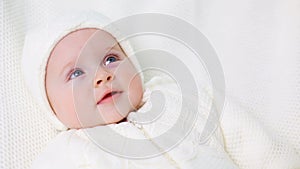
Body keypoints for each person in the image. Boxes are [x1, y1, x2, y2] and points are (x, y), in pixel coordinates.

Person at [22, 11, 239, 169]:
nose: (102, 76)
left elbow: (244, 136)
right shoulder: (66, 156)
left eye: (110, 59)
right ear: (50, 105)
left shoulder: (177, 97)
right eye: (76, 73)